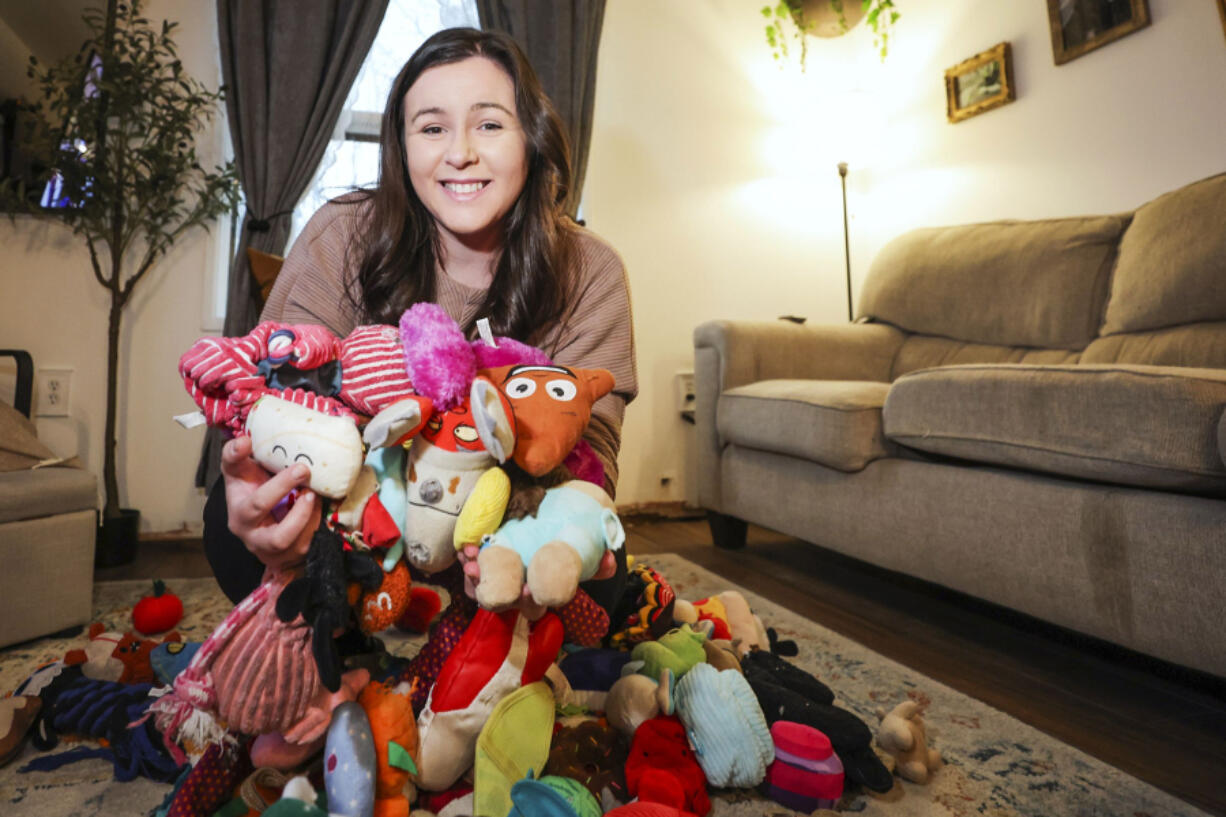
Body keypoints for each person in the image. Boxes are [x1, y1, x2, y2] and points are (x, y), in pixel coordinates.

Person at [204, 27, 637, 619]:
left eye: (489, 124)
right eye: (432, 128)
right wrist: (263, 502)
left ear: (531, 138)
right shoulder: (341, 233)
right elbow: (279, 400)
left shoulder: (591, 269)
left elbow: (593, 454)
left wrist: (554, 531)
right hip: (360, 517)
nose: (460, 152)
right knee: (228, 524)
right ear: (402, 147)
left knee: (606, 576)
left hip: (498, 527)